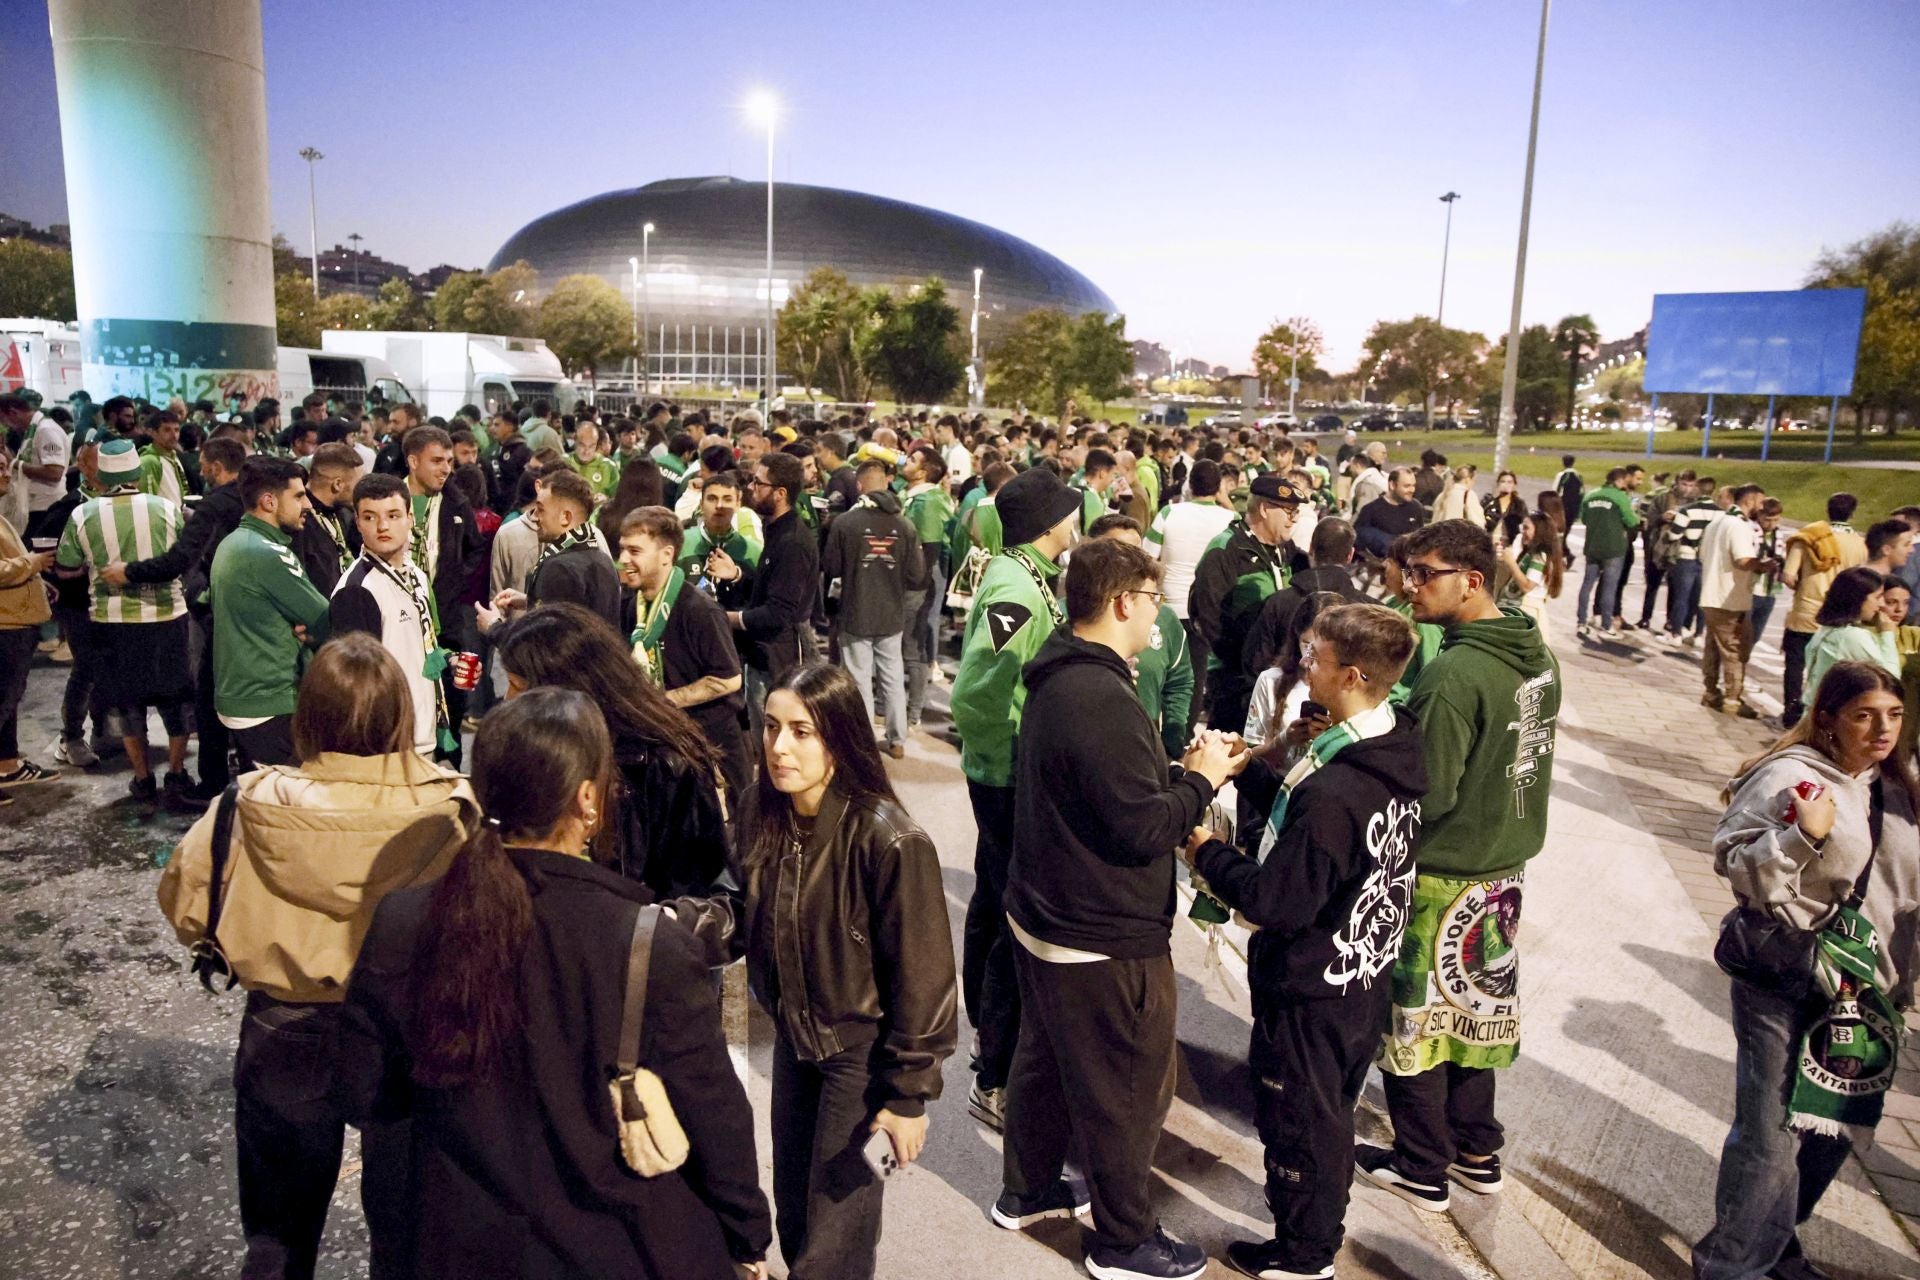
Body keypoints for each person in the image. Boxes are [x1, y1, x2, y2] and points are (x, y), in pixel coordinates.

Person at [335, 687, 772, 1279]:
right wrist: (746, 1234)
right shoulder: (648, 943)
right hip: (615, 1247)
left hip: (459, 1244)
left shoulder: (404, 919)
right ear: (588, 799)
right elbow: (715, 1115)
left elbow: (369, 1093)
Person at [159, 635, 478, 1280]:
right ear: (401, 715)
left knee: (278, 1238)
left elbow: (188, 907)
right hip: (409, 1034)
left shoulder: (243, 804)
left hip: (285, 1027)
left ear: (308, 717)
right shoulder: (454, 810)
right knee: (410, 1232)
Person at [991, 537, 1246, 1280]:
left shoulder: (1062, 675)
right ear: (1122, 603)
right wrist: (1198, 782)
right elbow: (1143, 827)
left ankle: (1029, 1189)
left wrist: (1171, 772)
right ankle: (1123, 1241)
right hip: (1100, 933)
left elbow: (1104, 791)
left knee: (1041, 1063)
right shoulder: (1098, 694)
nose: (1160, 621)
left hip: (1045, 919)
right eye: (1153, 604)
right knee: (1129, 1092)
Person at [1185, 603, 1425, 1280]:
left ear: (1351, 674)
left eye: (1314, 657)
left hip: (1313, 989)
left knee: (1303, 1123)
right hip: (1359, 976)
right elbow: (1324, 849)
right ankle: (1309, 1232)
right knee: (1326, 1113)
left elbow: (1276, 900)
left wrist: (1204, 851)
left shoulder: (1341, 789)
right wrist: (1251, 769)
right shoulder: (1389, 748)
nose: (1302, 667)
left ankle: (1305, 1252)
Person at [1693, 661, 1919, 1280]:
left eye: (1894, 715)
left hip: (1871, 991)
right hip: (1788, 972)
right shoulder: (1790, 777)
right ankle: (1729, 1266)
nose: (1882, 729)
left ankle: (1775, 1241)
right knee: (1769, 1137)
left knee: (1834, 1130)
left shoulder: (1900, 786)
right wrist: (1801, 837)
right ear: (1828, 719)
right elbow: (1736, 866)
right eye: (1865, 715)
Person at [1360, 520, 1560, 1214]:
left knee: (1417, 1023)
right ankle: (1477, 1149)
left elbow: (1430, 791)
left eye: (1424, 573)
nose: (1409, 585)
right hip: (1502, 872)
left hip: (1444, 872)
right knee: (1478, 1018)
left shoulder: (1454, 672)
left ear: (1472, 581)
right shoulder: (1536, 653)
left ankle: (1421, 1163)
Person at [741, 662, 958, 1280]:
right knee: (796, 1221)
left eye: (802, 732)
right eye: (771, 726)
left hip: (860, 1057)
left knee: (838, 1237)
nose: (779, 747)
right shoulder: (766, 815)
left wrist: (908, 1097)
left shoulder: (889, 839)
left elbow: (926, 980)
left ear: (839, 737)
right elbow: (739, 913)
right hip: (795, 1044)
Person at [948, 466, 1084, 1130]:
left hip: (1002, 769)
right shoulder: (1017, 590)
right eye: (1068, 511)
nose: (1075, 519)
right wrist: (1007, 756)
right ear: (1047, 525)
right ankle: (993, 1068)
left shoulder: (1024, 576)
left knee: (991, 900)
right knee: (1008, 918)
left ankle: (985, 1032)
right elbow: (976, 691)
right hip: (1004, 774)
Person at [494, 603, 730, 901]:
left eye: (517, 686)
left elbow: (699, 890)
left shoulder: (665, 765)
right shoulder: (536, 749)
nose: (508, 699)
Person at [54, 438, 197, 804]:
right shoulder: (166, 508)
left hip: (112, 621)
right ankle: (177, 773)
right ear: (136, 472)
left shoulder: (82, 515)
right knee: (176, 699)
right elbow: (184, 558)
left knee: (128, 701)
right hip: (168, 615)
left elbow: (67, 568)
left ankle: (142, 777)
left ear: (101, 474)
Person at [616, 506, 754, 809]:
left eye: (635, 550)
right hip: (666, 739)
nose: (624, 559)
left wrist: (664, 700)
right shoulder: (632, 605)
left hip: (714, 744)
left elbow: (728, 679)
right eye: (623, 549)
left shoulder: (699, 610)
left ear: (666, 555)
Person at [208, 456, 333, 769]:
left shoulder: (234, 543)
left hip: (245, 700)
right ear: (268, 501)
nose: (308, 505)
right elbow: (328, 621)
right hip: (270, 704)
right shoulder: (266, 554)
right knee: (294, 808)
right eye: (298, 496)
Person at [329, 473, 449, 757]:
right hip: (388, 746)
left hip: (423, 734)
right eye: (370, 517)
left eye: (393, 515)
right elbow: (356, 687)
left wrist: (450, 661)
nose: (382, 526)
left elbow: (422, 646)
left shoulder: (416, 575)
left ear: (410, 518)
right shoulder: (357, 589)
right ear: (357, 522)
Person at [823, 459, 928, 759]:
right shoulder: (905, 525)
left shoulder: (845, 523)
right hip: (891, 612)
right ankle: (897, 740)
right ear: (886, 483)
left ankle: (864, 743)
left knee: (858, 680)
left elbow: (830, 566)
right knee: (892, 676)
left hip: (856, 610)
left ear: (859, 486)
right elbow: (916, 575)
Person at [1190, 473, 1308, 733]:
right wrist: (1246, 663)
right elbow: (1209, 618)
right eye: (1289, 511)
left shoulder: (1288, 552)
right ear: (1265, 509)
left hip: (1278, 674)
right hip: (1235, 682)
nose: (1295, 518)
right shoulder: (1226, 550)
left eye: (1297, 511)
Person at [729, 452, 819, 729]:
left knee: (772, 736)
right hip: (766, 653)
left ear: (780, 493)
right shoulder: (777, 529)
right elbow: (773, 584)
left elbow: (779, 611)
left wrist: (730, 618)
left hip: (779, 659)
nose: (751, 489)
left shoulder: (792, 541)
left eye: (758, 483)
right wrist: (738, 574)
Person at [1092, 514, 1194, 759]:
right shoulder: (1069, 615)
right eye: (1117, 552)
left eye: (1135, 551)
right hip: (1089, 748)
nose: (1129, 561)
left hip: (1146, 749)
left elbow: (1179, 682)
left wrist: (1172, 742)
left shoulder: (1163, 617)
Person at [1146, 458, 1237, 730]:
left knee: (1160, 674)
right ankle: (1182, 738)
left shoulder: (1169, 513)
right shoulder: (1230, 519)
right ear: (1218, 486)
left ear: (1190, 484)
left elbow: (1147, 555)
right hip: (1208, 612)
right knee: (1195, 678)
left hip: (1168, 607)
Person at [485, 469, 622, 632]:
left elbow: (549, 647)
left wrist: (493, 628)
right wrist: (531, 602)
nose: (535, 517)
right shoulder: (601, 558)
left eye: (541, 509)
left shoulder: (558, 568)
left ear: (566, 517)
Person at [0, 448, 55, 802]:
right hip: (6, 624)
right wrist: (31, 564)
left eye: (5, 465)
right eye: (0, 468)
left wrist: (38, 580)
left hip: (17, 620)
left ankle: (9, 765)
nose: (7, 473)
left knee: (9, 701)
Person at [1698, 484, 1772, 718]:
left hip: (1711, 594)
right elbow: (1742, 560)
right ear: (1750, 500)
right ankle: (1732, 698)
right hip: (1731, 598)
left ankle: (1711, 692)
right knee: (1735, 650)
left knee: (1713, 646)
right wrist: (1763, 565)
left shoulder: (1716, 522)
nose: (1762, 508)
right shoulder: (1739, 525)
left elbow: (1703, 556)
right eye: (1760, 503)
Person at [901, 447, 954, 727]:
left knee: (913, 645)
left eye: (911, 459)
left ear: (923, 471)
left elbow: (930, 548)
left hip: (919, 579)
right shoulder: (911, 495)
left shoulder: (930, 501)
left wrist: (916, 584)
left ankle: (914, 710)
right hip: (908, 578)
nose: (903, 461)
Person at [1804, 567, 1902, 700]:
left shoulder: (1826, 629)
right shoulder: (1852, 636)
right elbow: (1890, 680)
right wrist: (1887, 633)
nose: (1881, 604)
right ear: (1858, 599)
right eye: (1877, 597)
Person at [1574, 467, 1641, 641]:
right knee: (1609, 588)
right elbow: (1632, 521)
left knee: (1587, 585)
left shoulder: (1591, 495)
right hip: (1614, 549)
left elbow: (1584, 519)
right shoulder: (1620, 497)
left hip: (1593, 547)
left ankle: (1581, 622)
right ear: (1619, 481)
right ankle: (1606, 625)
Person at [295, 442, 362, 594]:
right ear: (338, 484)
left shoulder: (342, 514)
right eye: (357, 484)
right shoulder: (299, 524)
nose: (360, 492)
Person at [1665, 477, 1722, 643]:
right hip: (1708, 560)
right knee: (1702, 599)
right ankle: (1698, 634)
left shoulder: (1687, 510)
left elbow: (1674, 534)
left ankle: (1676, 633)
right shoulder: (1721, 513)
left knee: (1681, 598)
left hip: (1687, 557)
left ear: (1697, 488)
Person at [1497, 513, 1563, 637]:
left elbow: (1527, 586)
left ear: (1539, 530)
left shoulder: (1539, 556)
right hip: (1520, 608)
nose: (1523, 532)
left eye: (1526, 528)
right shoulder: (1529, 553)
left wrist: (1511, 563)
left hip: (1528, 609)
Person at [136, 408, 192, 506]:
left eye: (176, 430)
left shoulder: (173, 456)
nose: (174, 435)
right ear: (152, 432)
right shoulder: (148, 461)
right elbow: (147, 503)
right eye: (167, 430)